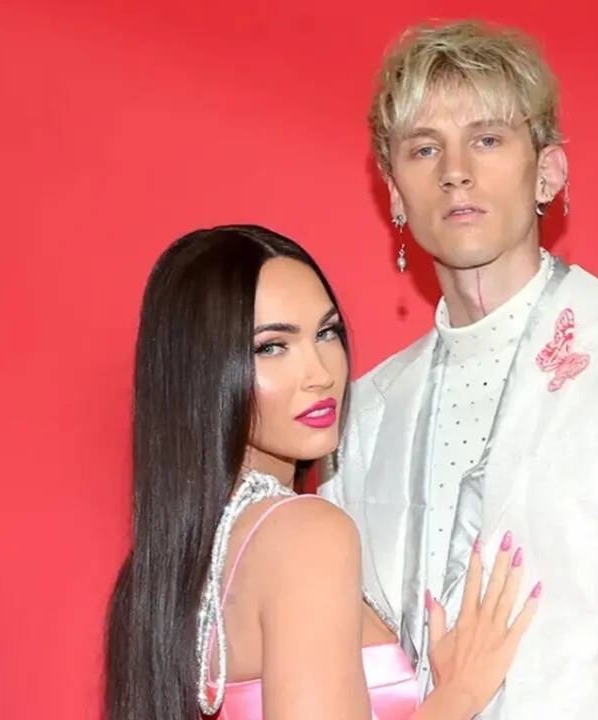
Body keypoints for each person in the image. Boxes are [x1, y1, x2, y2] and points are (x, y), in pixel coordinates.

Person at [320, 21, 598, 719]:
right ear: (395, 193)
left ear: (548, 171)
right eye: (424, 148)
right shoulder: (362, 420)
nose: (455, 170)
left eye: (488, 139)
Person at [103, 225, 539, 720]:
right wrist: (458, 695)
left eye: (326, 333)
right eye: (272, 347)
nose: (321, 374)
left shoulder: (158, 576)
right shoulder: (305, 532)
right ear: (202, 373)